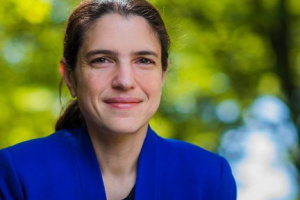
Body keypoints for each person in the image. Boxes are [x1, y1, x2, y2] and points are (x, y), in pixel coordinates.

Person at [0, 0, 237, 199]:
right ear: (70, 76)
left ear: (163, 74)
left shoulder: (208, 179)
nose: (124, 81)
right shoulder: (17, 172)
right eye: (102, 60)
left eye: (143, 60)